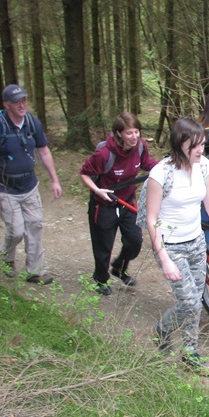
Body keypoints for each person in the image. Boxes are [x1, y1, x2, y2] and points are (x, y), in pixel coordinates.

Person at [144, 116, 209, 373]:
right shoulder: (160, 174)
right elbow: (152, 220)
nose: (200, 150)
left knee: (195, 298)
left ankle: (189, 352)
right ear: (180, 143)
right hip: (171, 246)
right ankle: (162, 330)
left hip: (196, 242)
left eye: (202, 144)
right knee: (190, 302)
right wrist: (164, 259)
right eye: (195, 145)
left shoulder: (204, 166)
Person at [0, 84, 62, 285]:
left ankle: (34, 271)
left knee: (35, 225)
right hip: (4, 188)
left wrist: (54, 180)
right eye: (17, 102)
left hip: (29, 185)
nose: (22, 104)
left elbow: (44, 151)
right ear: (6, 105)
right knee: (16, 231)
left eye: (24, 100)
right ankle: (7, 257)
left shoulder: (32, 123)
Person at [79, 112, 158, 296]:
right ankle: (100, 279)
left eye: (137, 132)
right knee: (103, 246)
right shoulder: (104, 153)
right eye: (129, 133)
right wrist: (97, 190)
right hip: (104, 205)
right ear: (119, 133)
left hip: (127, 203)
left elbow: (147, 164)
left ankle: (119, 267)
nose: (134, 137)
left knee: (135, 241)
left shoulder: (140, 147)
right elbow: (84, 173)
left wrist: (166, 165)